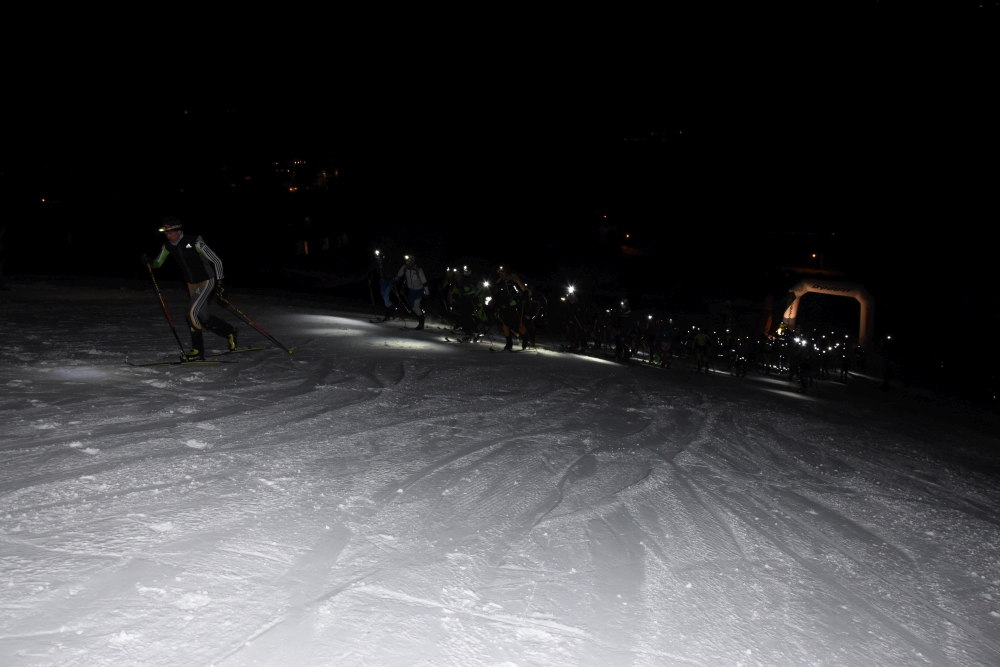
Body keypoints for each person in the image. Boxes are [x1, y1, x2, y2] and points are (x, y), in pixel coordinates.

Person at [141, 217, 237, 361]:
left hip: (206, 280)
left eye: (171, 233)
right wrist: (150, 262)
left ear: (179, 231)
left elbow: (216, 261)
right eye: (166, 233)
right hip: (191, 283)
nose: (168, 236)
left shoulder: (195, 242)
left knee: (191, 312)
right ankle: (230, 331)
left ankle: (197, 351)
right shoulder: (168, 246)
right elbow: (158, 263)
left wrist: (220, 283)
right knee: (203, 317)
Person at [396, 255, 428, 330]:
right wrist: (396, 280)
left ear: (413, 262)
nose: (408, 264)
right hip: (411, 291)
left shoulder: (418, 270)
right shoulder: (404, 268)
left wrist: (427, 294)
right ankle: (422, 317)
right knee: (413, 307)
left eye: (409, 262)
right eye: (407, 262)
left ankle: (421, 323)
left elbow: (425, 282)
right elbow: (399, 274)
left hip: (419, 290)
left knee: (416, 306)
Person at [372, 249, 394, 321]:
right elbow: (373, 272)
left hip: (388, 282)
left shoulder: (386, 264)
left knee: (385, 296)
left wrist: (389, 276)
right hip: (382, 283)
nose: (378, 260)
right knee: (385, 299)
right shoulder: (376, 265)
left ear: (382, 258)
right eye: (377, 259)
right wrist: (370, 279)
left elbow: (391, 272)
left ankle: (388, 314)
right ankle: (391, 310)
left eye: (379, 259)